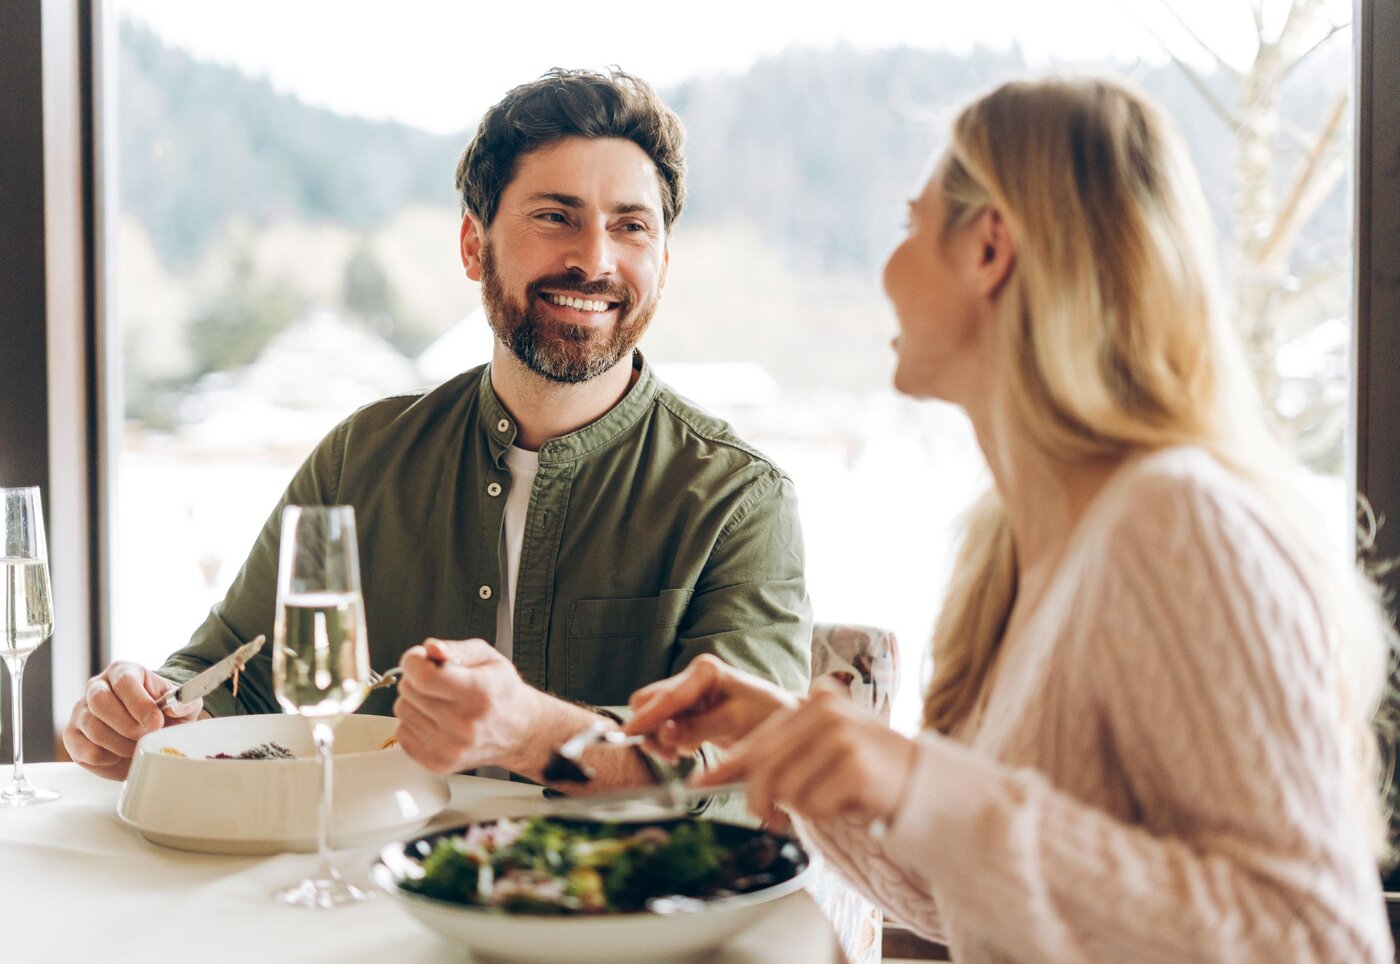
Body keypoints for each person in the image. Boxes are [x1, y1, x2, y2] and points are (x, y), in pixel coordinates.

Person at [624, 75, 1395, 961]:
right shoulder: (1014, 543)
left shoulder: (1177, 521)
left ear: (990, 248)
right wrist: (799, 748)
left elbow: (1318, 940)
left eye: (911, 225)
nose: (887, 269)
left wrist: (925, 786)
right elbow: (984, 893)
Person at [63, 68, 812, 796]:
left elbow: (742, 758)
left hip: (627, 880)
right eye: (555, 217)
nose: (594, 259)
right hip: (372, 870)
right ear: (472, 246)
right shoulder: (360, 457)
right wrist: (145, 714)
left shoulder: (740, 497)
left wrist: (532, 733)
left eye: (631, 226)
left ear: (663, 263)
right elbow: (237, 677)